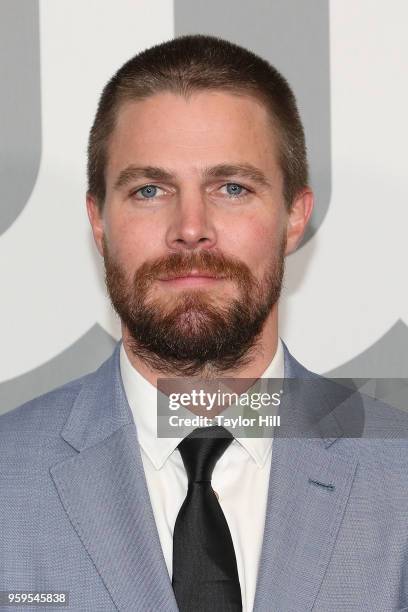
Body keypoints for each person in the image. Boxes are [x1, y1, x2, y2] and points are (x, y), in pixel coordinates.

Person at [1, 34, 407, 612]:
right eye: (149, 190)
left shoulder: (399, 477)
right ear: (98, 221)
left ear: (294, 216)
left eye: (232, 188)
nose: (190, 228)